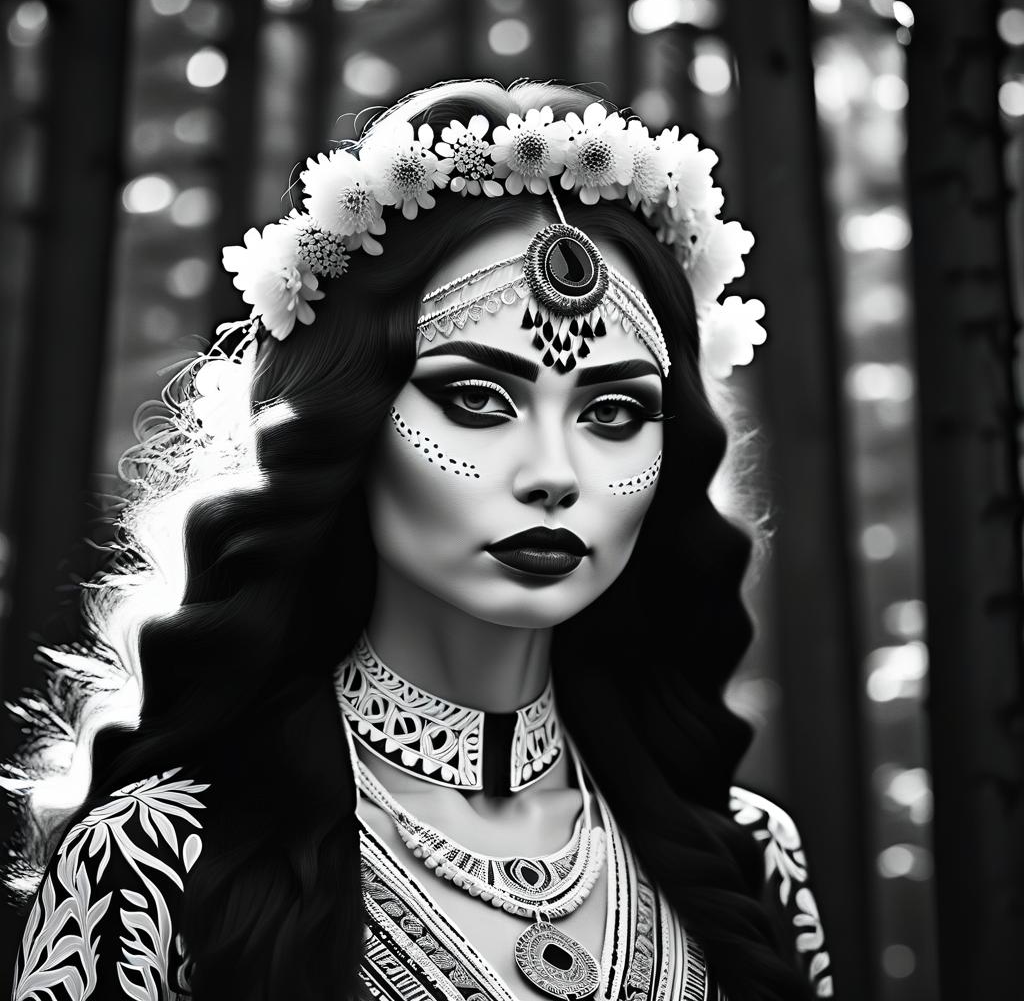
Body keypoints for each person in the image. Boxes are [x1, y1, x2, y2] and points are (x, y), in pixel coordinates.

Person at [5, 80, 831, 1001]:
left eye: (613, 410)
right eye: (478, 400)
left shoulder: (750, 857)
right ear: (352, 425)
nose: (554, 472)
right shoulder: (157, 859)